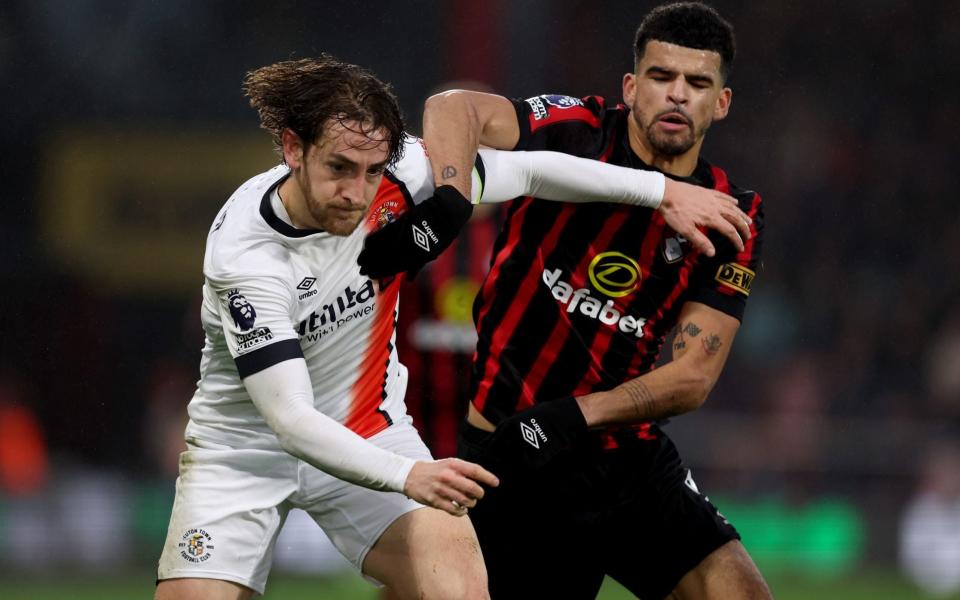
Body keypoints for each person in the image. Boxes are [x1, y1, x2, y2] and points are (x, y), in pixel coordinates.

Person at [155, 55, 749, 600]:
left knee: (461, 590)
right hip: (246, 451)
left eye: (371, 172)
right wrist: (411, 474)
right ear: (292, 149)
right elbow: (289, 421)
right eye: (339, 168)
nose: (357, 194)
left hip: (370, 428)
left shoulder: (400, 173)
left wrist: (661, 191)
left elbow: (534, 171)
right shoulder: (247, 257)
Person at [362, 2, 773, 598]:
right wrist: (451, 197)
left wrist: (573, 415)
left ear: (722, 102)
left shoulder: (735, 213)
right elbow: (454, 105)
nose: (677, 95)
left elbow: (692, 378)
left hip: (625, 459)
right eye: (661, 78)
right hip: (511, 454)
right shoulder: (573, 130)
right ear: (631, 87)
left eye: (697, 83)